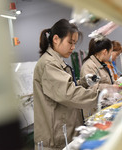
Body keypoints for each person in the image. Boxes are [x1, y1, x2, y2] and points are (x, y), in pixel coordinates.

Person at [33, 19, 99, 150]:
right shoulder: (49, 64)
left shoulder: (56, 61)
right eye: (70, 42)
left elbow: (62, 88)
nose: (73, 47)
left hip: (63, 133)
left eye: (74, 43)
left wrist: (84, 82)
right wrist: (101, 95)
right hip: (56, 140)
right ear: (56, 39)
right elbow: (68, 94)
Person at [80, 37, 122, 118]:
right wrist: (112, 88)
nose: (111, 55)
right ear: (105, 52)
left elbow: (110, 82)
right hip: (95, 112)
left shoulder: (103, 64)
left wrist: (120, 84)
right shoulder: (89, 66)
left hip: (106, 108)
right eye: (110, 52)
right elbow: (93, 90)